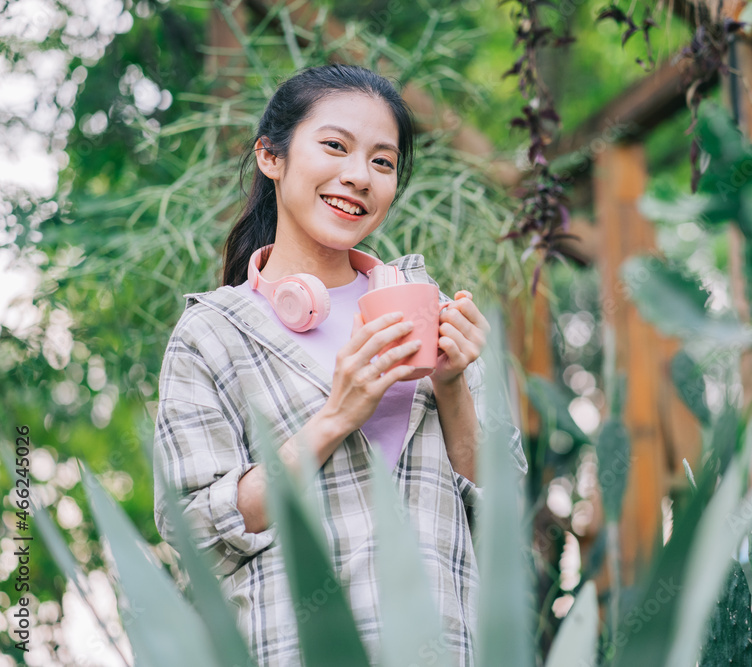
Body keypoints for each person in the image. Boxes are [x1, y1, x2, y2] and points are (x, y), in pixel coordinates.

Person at [151, 64, 528, 667]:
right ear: (271, 157)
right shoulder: (212, 334)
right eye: (335, 147)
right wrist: (335, 416)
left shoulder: (428, 308)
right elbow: (194, 531)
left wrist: (451, 385)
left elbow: (503, 514)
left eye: (383, 162)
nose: (358, 177)